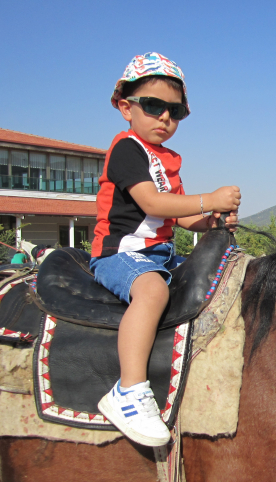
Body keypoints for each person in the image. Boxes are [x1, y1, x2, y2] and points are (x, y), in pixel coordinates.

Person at [90, 52, 240, 447]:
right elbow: (154, 205)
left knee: (219, 274)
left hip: (159, 253)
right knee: (153, 291)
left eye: (175, 111)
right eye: (154, 106)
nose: (164, 118)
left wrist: (212, 221)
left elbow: (181, 217)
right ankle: (128, 390)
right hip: (121, 254)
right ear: (126, 107)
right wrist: (209, 198)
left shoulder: (165, 159)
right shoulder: (126, 149)